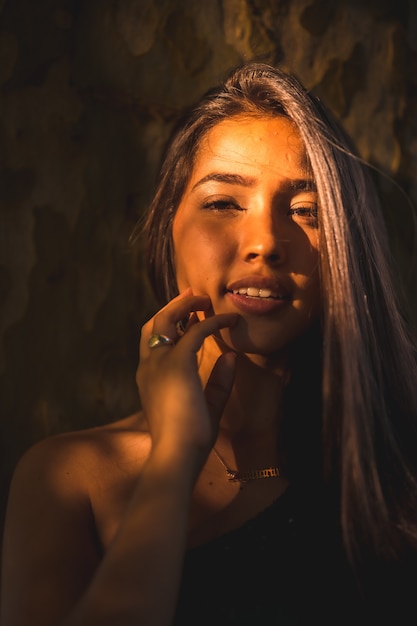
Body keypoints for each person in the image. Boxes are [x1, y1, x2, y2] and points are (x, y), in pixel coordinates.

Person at [1, 61, 417, 626]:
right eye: (223, 203)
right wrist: (175, 458)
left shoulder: (397, 466)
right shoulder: (70, 480)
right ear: (166, 231)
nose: (266, 242)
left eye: (307, 210)